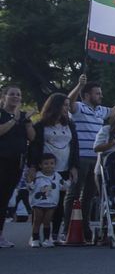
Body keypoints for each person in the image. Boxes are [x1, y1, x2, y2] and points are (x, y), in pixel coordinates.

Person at [68, 74, 115, 225]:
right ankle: (66, 229)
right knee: (73, 194)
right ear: (87, 95)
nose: (101, 96)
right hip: (81, 156)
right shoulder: (79, 107)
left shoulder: (101, 111)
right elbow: (69, 102)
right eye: (97, 93)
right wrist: (79, 86)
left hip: (97, 159)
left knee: (88, 195)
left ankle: (84, 228)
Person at [27, 94, 78, 243]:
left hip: (63, 167)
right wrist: (33, 166)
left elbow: (75, 146)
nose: (67, 108)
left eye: (68, 105)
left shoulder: (70, 125)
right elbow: (34, 147)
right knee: (40, 202)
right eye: (64, 105)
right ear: (55, 106)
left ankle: (54, 234)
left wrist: (74, 166)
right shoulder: (41, 125)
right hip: (45, 170)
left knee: (58, 201)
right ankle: (35, 235)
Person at [0, 85, 34, 246]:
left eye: (18, 95)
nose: (15, 97)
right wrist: (14, 118)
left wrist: (28, 122)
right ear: (4, 97)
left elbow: (32, 137)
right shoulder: (3, 114)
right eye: (12, 94)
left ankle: (1, 235)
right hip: (2, 159)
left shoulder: (23, 116)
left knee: (5, 198)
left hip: (17, 161)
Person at [29, 153, 62, 248]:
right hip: (38, 203)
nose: (49, 166)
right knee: (37, 220)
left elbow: (62, 185)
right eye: (46, 163)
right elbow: (31, 186)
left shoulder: (57, 176)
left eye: (52, 163)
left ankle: (47, 239)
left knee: (47, 221)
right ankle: (35, 239)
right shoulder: (37, 176)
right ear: (40, 165)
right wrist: (29, 183)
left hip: (51, 203)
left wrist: (70, 182)